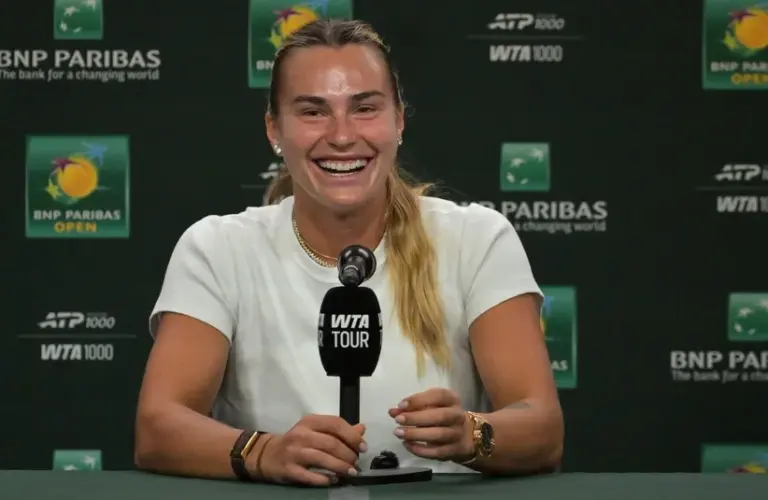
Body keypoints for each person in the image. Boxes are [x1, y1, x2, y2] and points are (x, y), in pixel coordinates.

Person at [134, 18, 563, 487]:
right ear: (274, 129)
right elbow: (158, 427)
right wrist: (264, 452)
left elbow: (542, 427)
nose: (341, 136)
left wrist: (473, 433)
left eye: (364, 108)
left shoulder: (477, 239)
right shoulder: (217, 248)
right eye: (313, 112)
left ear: (399, 120)